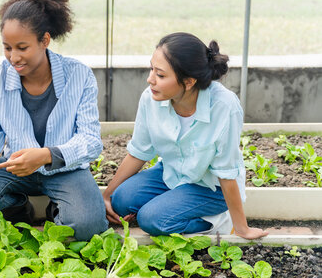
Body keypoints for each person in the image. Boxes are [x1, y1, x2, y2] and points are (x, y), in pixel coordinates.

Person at [0, 0, 108, 241]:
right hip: (16, 169)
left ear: (44, 40)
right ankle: (18, 211)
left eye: (22, 48)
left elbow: (91, 141)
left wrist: (47, 155)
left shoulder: (79, 76)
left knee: (89, 226)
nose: (13, 57)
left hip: (65, 168)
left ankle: (56, 210)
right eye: (7, 47)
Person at [103, 32, 268, 239]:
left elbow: (226, 173)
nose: (150, 79)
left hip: (212, 187)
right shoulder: (150, 98)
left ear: (189, 82)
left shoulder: (224, 106)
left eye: (160, 75)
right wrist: (107, 195)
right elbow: (139, 152)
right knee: (121, 200)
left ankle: (215, 221)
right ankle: (174, 203)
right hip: (172, 173)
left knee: (151, 220)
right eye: (151, 69)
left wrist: (242, 228)